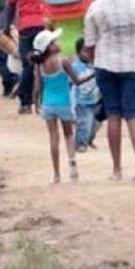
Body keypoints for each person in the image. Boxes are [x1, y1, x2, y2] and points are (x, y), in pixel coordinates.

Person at [83, 0, 135, 182]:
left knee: (113, 114)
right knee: (133, 114)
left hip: (105, 65)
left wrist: (95, 63)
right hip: (133, 65)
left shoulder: (96, 7)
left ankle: (117, 168)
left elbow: (89, 44)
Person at [30, 29, 94, 184]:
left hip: (48, 104)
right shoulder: (63, 61)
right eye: (54, 41)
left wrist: (35, 102)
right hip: (64, 104)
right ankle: (72, 168)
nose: (58, 43)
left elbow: (38, 86)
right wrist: (94, 73)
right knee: (68, 135)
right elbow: (77, 81)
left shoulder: (40, 65)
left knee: (53, 138)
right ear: (50, 47)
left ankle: (56, 174)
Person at [4, 0, 46, 114]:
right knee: (46, 63)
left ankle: (26, 103)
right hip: (45, 24)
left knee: (27, 65)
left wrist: (7, 26)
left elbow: (11, 6)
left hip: (26, 26)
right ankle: (45, 100)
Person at [72, 38, 100, 152]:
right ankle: (80, 143)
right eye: (85, 51)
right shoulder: (75, 66)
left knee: (94, 123)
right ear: (78, 53)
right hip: (82, 101)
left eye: (91, 51)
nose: (89, 54)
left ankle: (88, 139)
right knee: (83, 123)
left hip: (94, 99)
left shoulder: (95, 65)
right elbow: (73, 82)